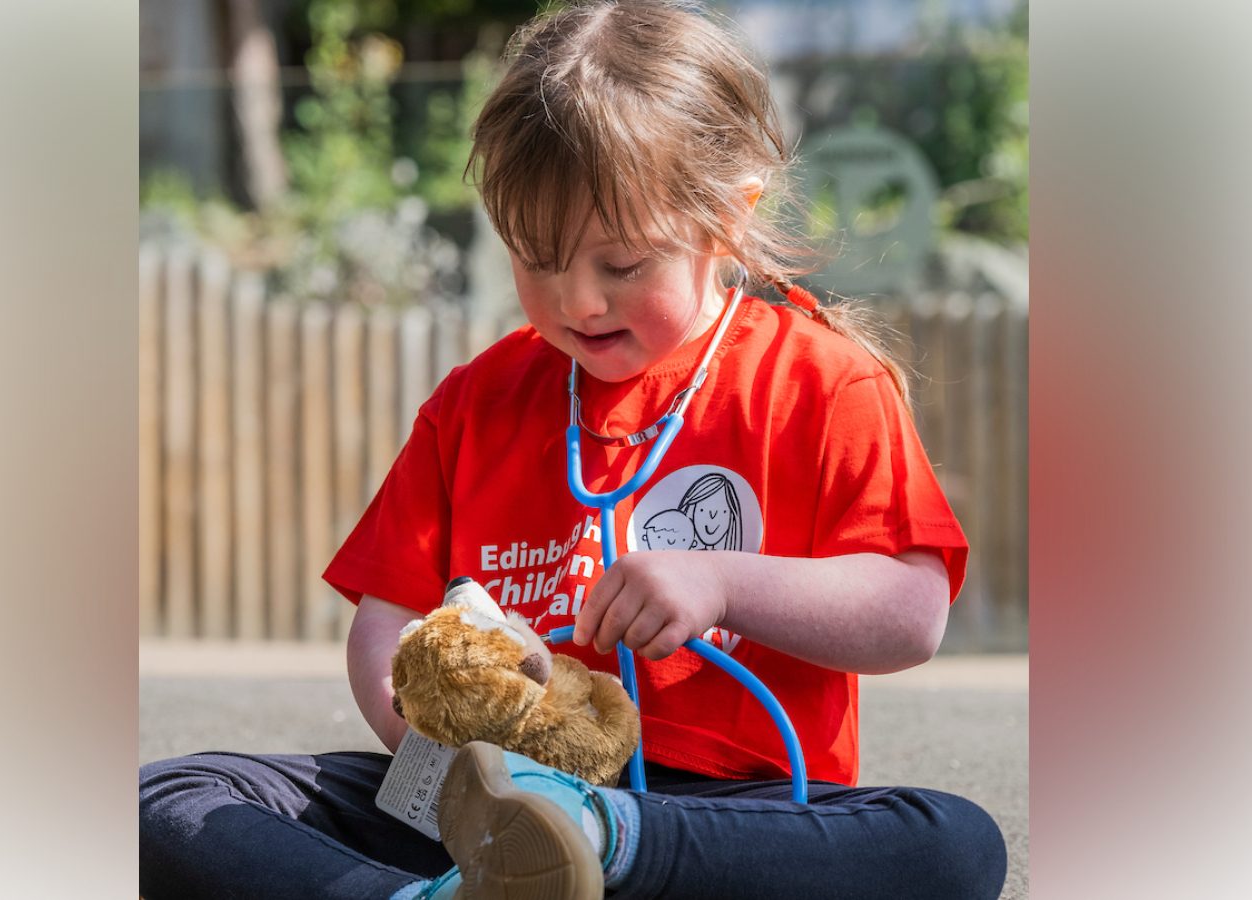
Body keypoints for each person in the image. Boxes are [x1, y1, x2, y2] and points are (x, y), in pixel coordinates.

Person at [139, 1, 1008, 898]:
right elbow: (385, 622)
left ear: (727, 219)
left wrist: (722, 580)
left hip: (720, 821)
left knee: (951, 842)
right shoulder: (475, 402)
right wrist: (445, 732)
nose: (578, 301)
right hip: (485, 803)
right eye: (537, 259)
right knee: (176, 797)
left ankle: (597, 841)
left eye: (622, 265)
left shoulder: (823, 383)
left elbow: (910, 611)